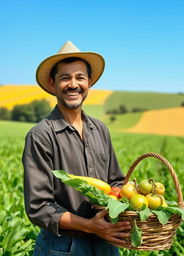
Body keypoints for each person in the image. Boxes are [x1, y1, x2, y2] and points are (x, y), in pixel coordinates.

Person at [22, 41, 131, 256]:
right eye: (65, 78)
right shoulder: (41, 136)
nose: (73, 84)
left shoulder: (100, 129)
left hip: (106, 243)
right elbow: (38, 207)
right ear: (53, 84)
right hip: (63, 247)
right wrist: (89, 225)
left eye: (80, 77)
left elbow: (115, 182)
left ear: (89, 82)